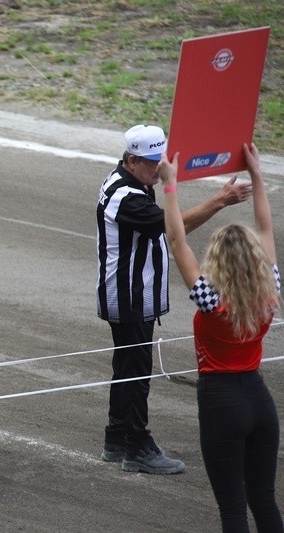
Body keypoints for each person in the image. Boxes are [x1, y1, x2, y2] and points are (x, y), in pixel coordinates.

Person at [95, 124, 252, 474]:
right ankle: (137, 446)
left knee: (126, 369)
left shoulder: (133, 181)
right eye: (152, 163)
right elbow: (172, 230)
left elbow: (172, 231)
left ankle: (116, 438)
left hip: (129, 292)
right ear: (132, 160)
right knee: (136, 372)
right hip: (130, 295)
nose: (160, 169)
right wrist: (218, 201)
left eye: (161, 161)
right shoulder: (127, 196)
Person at [160, 144, 283, 532]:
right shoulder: (271, 291)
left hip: (221, 403)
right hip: (261, 404)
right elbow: (265, 227)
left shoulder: (211, 300)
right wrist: (258, 176)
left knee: (232, 508)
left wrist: (170, 185)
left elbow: (176, 241)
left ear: (217, 260)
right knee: (263, 501)